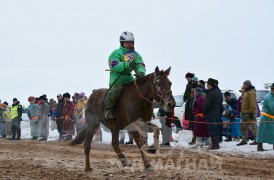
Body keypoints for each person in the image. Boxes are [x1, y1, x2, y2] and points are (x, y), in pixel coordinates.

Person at [104, 31, 146, 119]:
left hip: (128, 76)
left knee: (140, 88)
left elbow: (140, 64)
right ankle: (108, 109)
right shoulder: (116, 53)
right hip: (117, 76)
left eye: (131, 42)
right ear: (122, 43)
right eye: (127, 42)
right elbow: (114, 64)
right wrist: (127, 64)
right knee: (116, 89)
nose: (129, 44)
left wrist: (140, 73)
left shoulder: (135, 54)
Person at [203, 78, 223, 150]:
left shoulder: (210, 93)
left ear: (210, 85)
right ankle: (216, 144)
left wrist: (204, 112)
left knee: (212, 130)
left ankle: (214, 145)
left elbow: (207, 105)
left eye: (207, 84)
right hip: (217, 113)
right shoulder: (218, 91)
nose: (206, 86)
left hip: (211, 114)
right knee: (216, 129)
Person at [237, 80, 258, 146]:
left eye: (244, 85)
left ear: (247, 85)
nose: (243, 86)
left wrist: (251, 113)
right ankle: (244, 140)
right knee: (243, 127)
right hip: (244, 113)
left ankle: (257, 140)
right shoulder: (246, 92)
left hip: (250, 113)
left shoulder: (251, 92)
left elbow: (252, 104)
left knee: (252, 127)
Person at [256, 83, 274, 151]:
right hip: (266, 117)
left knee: (273, 132)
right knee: (262, 132)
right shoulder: (269, 97)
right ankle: (259, 147)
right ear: (273, 89)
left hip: (271, 117)